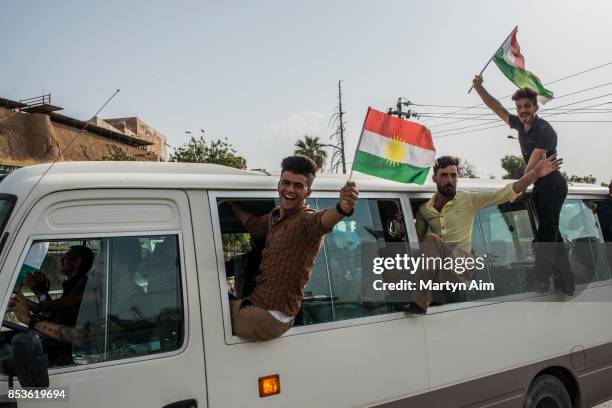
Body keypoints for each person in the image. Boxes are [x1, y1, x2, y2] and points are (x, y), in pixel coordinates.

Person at [407, 155, 562, 314]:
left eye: (453, 175)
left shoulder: (467, 199)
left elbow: (506, 192)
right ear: (434, 178)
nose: (450, 180)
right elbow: (416, 243)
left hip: (462, 263)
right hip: (441, 269)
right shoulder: (425, 210)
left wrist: (535, 173)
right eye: (444, 175)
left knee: (431, 239)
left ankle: (420, 302)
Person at [227, 155, 359, 341]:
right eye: (286, 183)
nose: (290, 190)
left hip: (270, 317)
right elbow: (255, 225)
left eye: (298, 186)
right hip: (262, 306)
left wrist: (342, 209)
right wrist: (230, 204)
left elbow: (321, 222)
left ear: (307, 192)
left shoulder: (305, 220)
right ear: (278, 185)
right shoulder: (275, 217)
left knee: (209, 310)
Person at [472, 76, 574, 295]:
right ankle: (566, 280)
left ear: (536, 107)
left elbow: (531, 167)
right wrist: (480, 88)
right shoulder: (519, 124)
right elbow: (496, 107)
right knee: (550, 230)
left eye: (527, 106)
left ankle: (542, 278)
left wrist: (519, 188)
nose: (523, 110)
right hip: (539, 184)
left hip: (553, 184)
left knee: (547, 230)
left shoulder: (545, 130)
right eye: (519, 107)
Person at [9, 245, 94, 365]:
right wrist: (40, 293)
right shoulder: (71, 284)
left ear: (77, 262)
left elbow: (46, 308)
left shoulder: (83, 287)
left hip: (67, 350)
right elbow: (52, 311)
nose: (61, 260)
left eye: (65, 257)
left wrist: (36, 294)